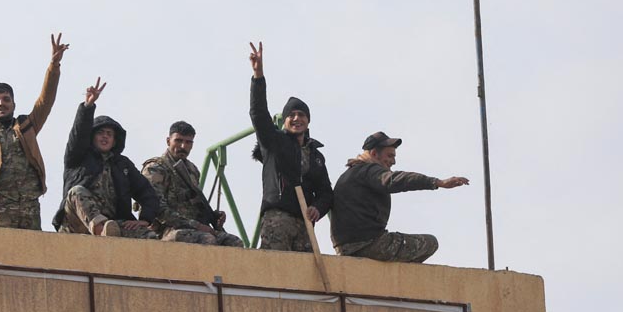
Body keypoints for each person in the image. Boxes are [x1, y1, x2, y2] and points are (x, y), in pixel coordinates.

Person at [0, 34, 70, 230]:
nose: (1, 104)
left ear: (13, 104)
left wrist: (53, 66)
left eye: (5, 99)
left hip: (29, 204)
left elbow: (45, 101)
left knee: (30, 256)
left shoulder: (26, 126)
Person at [329, 131, 470, 263]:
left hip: (345, 247)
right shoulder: (370, 171)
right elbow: (395, 180)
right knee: (430, 243)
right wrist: (437, 182)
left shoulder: (350, 175)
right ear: (373, 153)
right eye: (390, 156)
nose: (393, 162)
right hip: (367, 244)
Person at [247, 42, 334, 252]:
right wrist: (258, 76)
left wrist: (318, 208)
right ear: (285, 120)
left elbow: (326, 192)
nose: (296, 119)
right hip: (278, 217)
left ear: (308, 121)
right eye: (291, 115)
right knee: (274, 271)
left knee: (303, 279)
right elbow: (258, 113)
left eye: (301, 115)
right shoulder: (273, 142)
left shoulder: (316, 156)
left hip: (304, 222)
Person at [52, 78, 159, 239]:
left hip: (113, 225)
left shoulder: (122, 165)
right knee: (77, 191)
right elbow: (78, 135)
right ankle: (100, 231)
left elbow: (146, 191)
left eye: (109, 134)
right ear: (92, 136)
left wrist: (145, 219)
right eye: (101, 133)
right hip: (76, 223)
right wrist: (88, 107)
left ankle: (108, 233)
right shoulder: (78, 157)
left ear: (115, 141)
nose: (105, 137)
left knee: (149, 237)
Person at [141, 121, 243, 247]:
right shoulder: (155, 168)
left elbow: (194, 204)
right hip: (165, 231)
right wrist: (196, 225)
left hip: (193, 229)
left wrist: (213, 216)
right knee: (207, 240)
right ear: (168, 141)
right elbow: (156, 208)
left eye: (188, 142)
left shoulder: (192, 170)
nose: (183, 146)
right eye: (178, 140)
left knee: (233, 242)